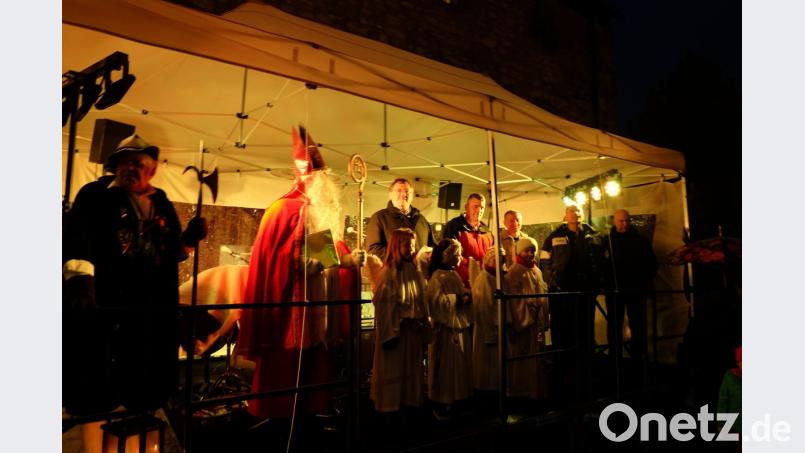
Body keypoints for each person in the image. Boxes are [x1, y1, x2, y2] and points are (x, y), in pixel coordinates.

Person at [63, 134, 207, 452]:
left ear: (151, 170)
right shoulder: (95, 196)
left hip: (150, 316)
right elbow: (77, 243)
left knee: (144, 390)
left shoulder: (162, 202)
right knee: (99, 394)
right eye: (126, 162)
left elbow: (175, 254)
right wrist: (81, 284)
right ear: (115, 165)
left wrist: (189, 239)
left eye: (140, 163)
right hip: (107, 309)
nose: (133, 168)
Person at [237, 127, 365, 423]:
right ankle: (281, 414)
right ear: (306, 175)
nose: (323, 181)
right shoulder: (285, 210)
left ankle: (310, 407)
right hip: (290, 305)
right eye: (319, 174)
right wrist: (324, 263)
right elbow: (287, 261)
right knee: (289, 362)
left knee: (315, 358)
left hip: (315, 299)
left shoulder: (313, 210)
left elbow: (321, 253)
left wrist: (346, 259)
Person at [539, 205, 602, 399]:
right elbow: (544, 261)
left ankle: (586, 369)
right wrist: (554, 284)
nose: (575, 214)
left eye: (577, 211)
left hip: (586, 291)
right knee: (563, 330)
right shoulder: (554, 236)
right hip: (563, 292)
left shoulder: (594, 235)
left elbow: (602, 260)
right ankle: (563, 370)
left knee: (585, 329)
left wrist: (598, 283)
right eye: (571, 211)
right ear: (565, 215)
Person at [369, 228, 431, 414]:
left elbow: (421, 300)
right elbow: (385, 307)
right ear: (396, 246)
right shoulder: (389, 274)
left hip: (412, 335)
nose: (411, 249)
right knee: (393, 375)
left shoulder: (415, 271)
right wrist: (390, 333)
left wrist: (422, 325)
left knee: (411, 376)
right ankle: (390, 411)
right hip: (397, 335)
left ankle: (408, 409)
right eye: (406, 245)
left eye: (413, 245)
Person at [602, 209, 658, 364]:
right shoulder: (607, 242)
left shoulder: (640, 241)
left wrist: (643, 282)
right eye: (621, 221)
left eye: (626, 220)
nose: (624, 224)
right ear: (615, 221)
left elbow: (652, 264)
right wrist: (605, 284)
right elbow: (600, 266)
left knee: (637, 323)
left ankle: (637, 357)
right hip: (614, 290)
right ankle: (615, 356)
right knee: (614, 324)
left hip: (634, 289)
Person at [426, 239, 473, 419]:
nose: (460, 258)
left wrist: (465, 295)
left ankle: (456, 399)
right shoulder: (437, 277)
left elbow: (459, 292)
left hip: (456, 327)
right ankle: (441, 402)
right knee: (444, 367)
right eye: (458, 254)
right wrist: (458, 300)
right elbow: (436, 302)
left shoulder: (453, 275)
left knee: (458, 366)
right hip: (444, 331)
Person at [505, 237, 549, 399]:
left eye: (533, 250)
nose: (530, 254)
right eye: (527, 250)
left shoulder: (537, 270)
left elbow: (544, 295)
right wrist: (527, 312)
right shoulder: (515, 271)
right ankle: (521, 391)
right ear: (519, 252)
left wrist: (544, 315)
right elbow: (513, 299)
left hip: (535, 322)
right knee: (523, 357)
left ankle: (536, 390)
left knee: (537, 356)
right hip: (525, 322)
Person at [366, 178, 435, 261]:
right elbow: (373, 250)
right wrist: (401, 258)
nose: (403, 194)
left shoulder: (421, 220)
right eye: (399, 191)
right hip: (393, 273)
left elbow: (432, 245)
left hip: (419, 273)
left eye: (407, 191)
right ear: (390, 194)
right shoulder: (379, 218)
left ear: (412, 195)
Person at [443, 193, 493, 288]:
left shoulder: (486, 230)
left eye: (482, 207)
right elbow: (449, 256)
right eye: (475, 206)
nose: (479, 210)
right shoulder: (453, 226)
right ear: (466, 207)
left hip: (483, 283)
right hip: (461, 284)